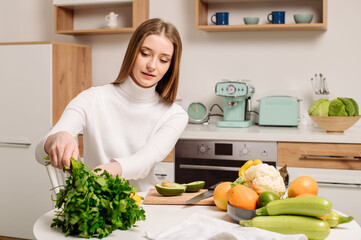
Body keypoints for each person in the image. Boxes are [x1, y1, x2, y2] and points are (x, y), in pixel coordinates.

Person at [35, 18, 188, 192]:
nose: (152, 65)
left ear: (171, 66)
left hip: (144, 207)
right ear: (132, 53)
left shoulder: (174, 115)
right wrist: (56, 138)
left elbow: (144, 161)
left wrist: (101, 173)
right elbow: (40, 154)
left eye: (163, 60)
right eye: (145, 53)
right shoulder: (92, 98)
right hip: (94, 207)